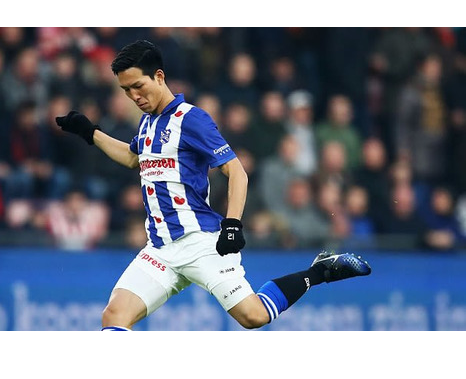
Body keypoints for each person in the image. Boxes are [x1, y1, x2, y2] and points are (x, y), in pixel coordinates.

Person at [54, 40, 371, 331]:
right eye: (126, 90)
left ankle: (319, 271)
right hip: (160, 249)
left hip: (201, 242)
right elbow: (133, 158)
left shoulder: (191, 119)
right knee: (114, 316)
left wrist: (232, 224)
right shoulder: (147, 122)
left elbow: (237, 171)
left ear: (159, 76)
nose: (134, 96)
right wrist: (90, 133)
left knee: (253, 316)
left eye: (138, 86)